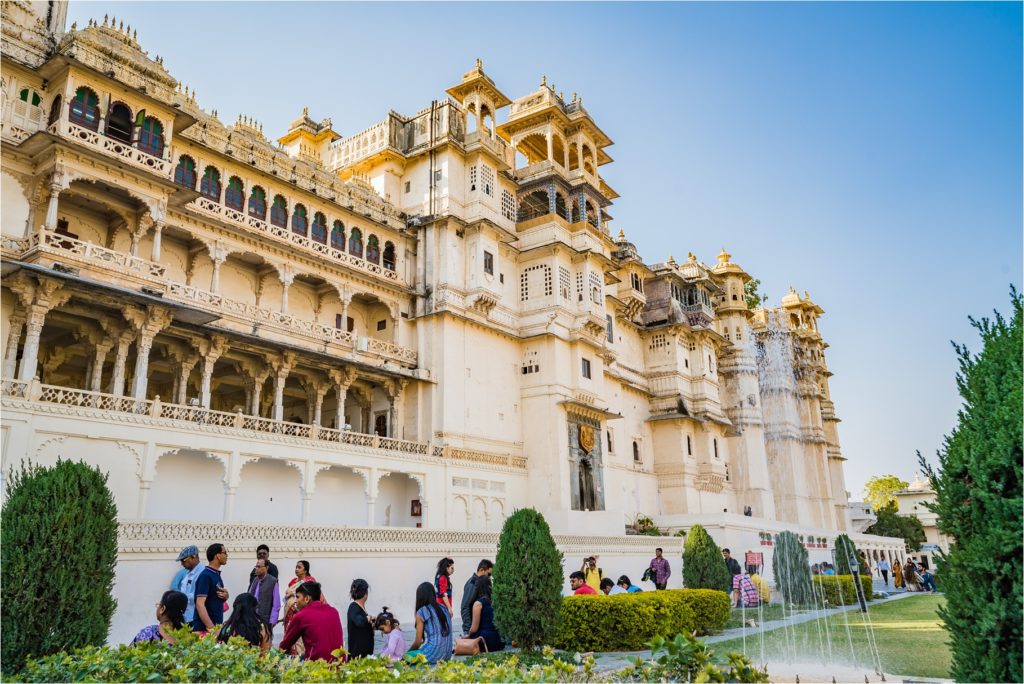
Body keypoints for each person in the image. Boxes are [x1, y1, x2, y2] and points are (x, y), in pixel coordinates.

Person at [279, 581, 343, 662]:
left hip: (317, 667)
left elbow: (284, 646)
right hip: (339, 664)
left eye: (298, 597)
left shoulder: (301, 616)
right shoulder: (334, 611)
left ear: (307, 599)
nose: (295, 601)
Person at [283, 559, 325, 655]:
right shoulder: (293, 581)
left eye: (299, 567)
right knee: (290, 636)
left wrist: (293, 593)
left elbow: (312, 597)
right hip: (289, 616)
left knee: (299, 639)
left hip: (301, 614)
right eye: (296, 567)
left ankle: (300, 658)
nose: (296, 569)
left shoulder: (310, 581)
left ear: (305, 570)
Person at [409, 581, 453, 664]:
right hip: (447, 655)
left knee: (408, 656)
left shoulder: (422, 612)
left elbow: (417, 643)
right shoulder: (443, 607)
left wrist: (407, 653)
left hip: (433, 654)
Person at [192, 543, 229, 633]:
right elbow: (200, 604)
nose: (227, 555)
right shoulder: (206, 576)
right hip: (204, 630)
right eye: (224, 553)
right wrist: (212, 629)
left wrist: (225, 597)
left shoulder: (215, 574)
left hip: (214, 628)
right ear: (217, 555)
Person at [174, 545, 211, 626]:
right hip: (187, 616)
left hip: (196, 617)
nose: (182, 563)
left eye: (183, 560)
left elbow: (200, 596)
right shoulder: (188, 574)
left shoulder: (202, 573)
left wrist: (181, 598)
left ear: (193, 556)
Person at [467, 575, 504, 652]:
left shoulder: (478, 603)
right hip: (497, 640)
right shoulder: (494, 601)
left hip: (484, 640)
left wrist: (468, 635)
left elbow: (474, 629)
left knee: (463, 644)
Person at [460, 559, 494, 635]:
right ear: (482, 570)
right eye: (488, 574)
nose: (489, 577)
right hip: (473, 629)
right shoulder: (473, 583)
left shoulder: (478, 582)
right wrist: (468, 630)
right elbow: (465, 607)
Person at [248, 557, 281, 634]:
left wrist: (273, 621)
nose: (257, 569)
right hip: (252, 618)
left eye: (259, 567)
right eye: (256, 566)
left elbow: (276, 604)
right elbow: (249, 597)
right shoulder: (255, 580)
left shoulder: (273, 581)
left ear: (266, 568)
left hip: (265, 619)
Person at [347, 578, 375, 658]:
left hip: (364, 656)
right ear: (366, 593)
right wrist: (368, 618)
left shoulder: (359, 608)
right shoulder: (353, 607)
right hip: (357, 657)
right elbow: (359, 622)